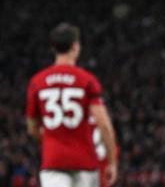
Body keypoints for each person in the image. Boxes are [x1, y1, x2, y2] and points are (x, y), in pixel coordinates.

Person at [25, 23, 119, 187]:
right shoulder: (86, 80)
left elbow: (32, 126)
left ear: (53, 48)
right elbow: (103, 125)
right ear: (75, 47)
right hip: (85, 162)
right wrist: (112, 161)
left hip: (54, 162)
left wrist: (51, 141)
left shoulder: (37, 82)